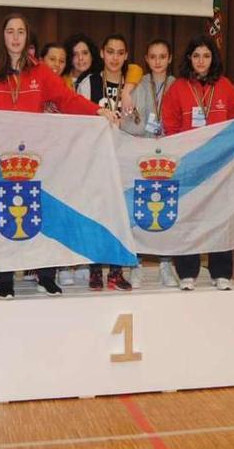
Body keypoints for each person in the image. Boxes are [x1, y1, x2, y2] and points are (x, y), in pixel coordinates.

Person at [0, 13, 119, 299]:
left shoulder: (40, 72)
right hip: (2, 159)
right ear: (3, 37)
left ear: (28, 38)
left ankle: (47, 275)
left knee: (42, 214)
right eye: (10, 31)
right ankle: (4, 278)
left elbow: (67, 99)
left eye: (20, 32)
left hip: (38, 158)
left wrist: (97, 110)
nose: (15, 37)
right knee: (4, 215)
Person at [161, 34, 234, 291]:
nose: (201, 61)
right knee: (190, 217)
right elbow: (170, 124)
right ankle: (187, 271)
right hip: (189, 165)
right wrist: (188, 151)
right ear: (189, 58)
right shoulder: (178, 88)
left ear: (213, 59)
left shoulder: (226, 87)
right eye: (196, 55)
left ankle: (221, 272)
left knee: (219, 218)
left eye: (206, 56)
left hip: (219, 166)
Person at [117, 38, 179, 289]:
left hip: (169, 155)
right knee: (139, 210)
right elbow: (128, 125)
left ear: (170, 59)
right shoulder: (137, 85)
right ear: (146, 59)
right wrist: (135, 116)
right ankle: (136, 265)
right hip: (142, 154)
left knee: (167, 210)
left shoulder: (177, 85)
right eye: (152, 57)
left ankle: (166, 264)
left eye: (162, 56)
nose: (157, 61)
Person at [77, 34, 136, 291]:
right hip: (95, 160)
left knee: (121, 215)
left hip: (124, 159)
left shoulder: (134, 85)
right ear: (101, 53)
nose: (114, 57)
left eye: (120, 52)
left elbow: (140, 121)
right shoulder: (88, 82)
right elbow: (78, 119)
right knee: (97, 214)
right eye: (110, 51)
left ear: (126, 56)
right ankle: (94, 269)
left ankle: (116, 270)